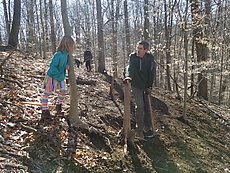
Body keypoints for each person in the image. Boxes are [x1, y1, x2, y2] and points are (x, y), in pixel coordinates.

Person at [124, 40, 156, 139]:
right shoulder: (133, 56)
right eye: (137, 48)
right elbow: (130, 68)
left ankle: (147, 127)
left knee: (147, 106)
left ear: (146, 50)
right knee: (140, 106)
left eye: (140, 48)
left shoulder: (150, 59)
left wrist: (149, 86)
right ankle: (139, 129)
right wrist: (129, 76)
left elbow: (151, 73)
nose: (138, 50)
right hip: (136, 84)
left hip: (146, 84)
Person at [40, 35, 75, 120]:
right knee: (47, 92)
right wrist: (59, 75)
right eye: (71, 45)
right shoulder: (58, 54)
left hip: (60, 77)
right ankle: (44, 110)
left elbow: (66, 63)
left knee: (63, 91)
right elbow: (52, 67)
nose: (73, 48)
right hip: (52, 76)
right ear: (67, 45)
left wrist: (67, 65)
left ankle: (58, 105)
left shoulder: (67, 55)